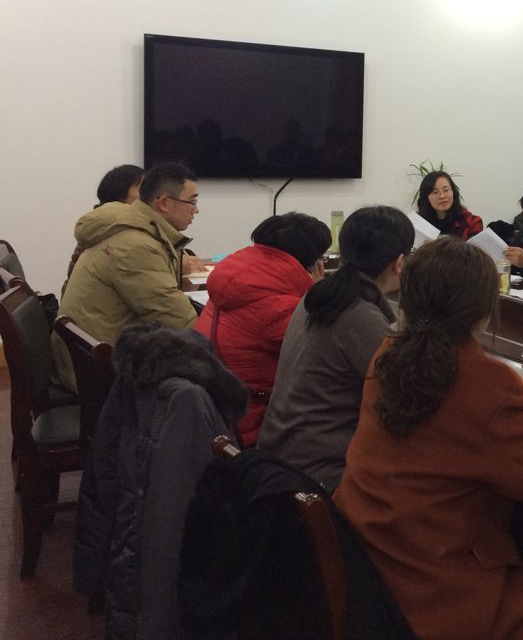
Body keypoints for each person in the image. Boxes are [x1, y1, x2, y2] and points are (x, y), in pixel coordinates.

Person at [333, 238, 523, 640]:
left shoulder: (389, 353)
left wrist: (507, 394)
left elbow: (449, 416)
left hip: (367, 566)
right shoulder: (485, 386)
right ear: (483, 311)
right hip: (436, 594)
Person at [74, 322, 248, 639]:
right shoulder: (188, 400)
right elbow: (170, 531)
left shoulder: (141, 367)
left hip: (129, 576)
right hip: (161, 593)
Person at [259, 206, 414, 492]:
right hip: (319, 472)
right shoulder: (359, 314)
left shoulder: (320, 295)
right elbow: (407, 394)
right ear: (400, 262)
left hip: (281, 454)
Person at [194, 212, 331, 446]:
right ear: (312, 263)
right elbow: (325, 356)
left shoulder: (239, 280)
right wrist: (316, 294)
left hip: (218, 408)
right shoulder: (279, 307)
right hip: (255, 423)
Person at [59, 161, 201, 348]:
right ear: (164, 203)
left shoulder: (135, 231)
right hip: (105, 359)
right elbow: (180, 321)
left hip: (100, 348)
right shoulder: (136, 246)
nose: (196, 210)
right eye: (192, 201)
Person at [64, 164, 146, 289]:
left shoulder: (102, 224)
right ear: (121, 191)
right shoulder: (112, 227)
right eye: (143, 188)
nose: (150, 195)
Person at [414, 170, 483, 239]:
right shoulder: (417, 224)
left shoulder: (472, 222)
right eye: (435, 192)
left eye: (446, 190)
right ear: (426, 197)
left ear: (453, 192)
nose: (442, 196)